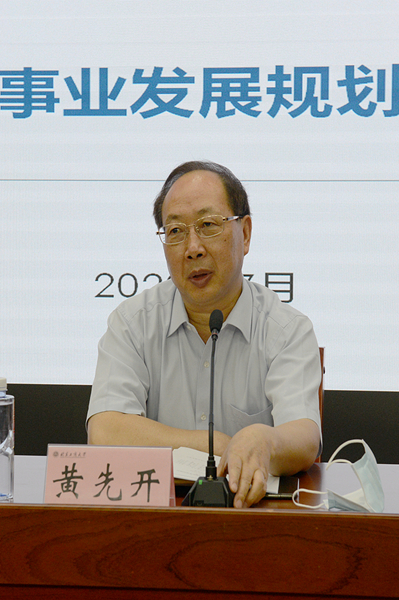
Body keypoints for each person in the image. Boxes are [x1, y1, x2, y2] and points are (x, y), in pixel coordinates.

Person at [86, 160, 321, 508]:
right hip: (159, 518)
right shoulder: (133, 323)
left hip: (252, 517)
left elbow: (304, 435)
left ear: (245, 234)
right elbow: (105, 431)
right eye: (176, 231)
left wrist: (264, 442)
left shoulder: (286, 329)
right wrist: (221, 447)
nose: (192, 247)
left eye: (208, 225)